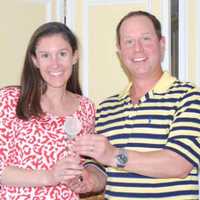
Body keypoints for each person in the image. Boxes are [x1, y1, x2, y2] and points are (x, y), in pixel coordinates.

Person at [70, 10, 200, 199]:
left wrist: (114, 155)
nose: (137, 49)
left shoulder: (189, 96)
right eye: (129, 41)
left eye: (146, 39)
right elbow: (103, 168)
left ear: (161, 44)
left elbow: (178, 164)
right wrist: (90, 180)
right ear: (120, 51)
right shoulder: (107, 108)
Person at [0, 21, 105, 199]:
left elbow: (90, 163)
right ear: (35, 60)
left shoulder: (86, 108)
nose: (54, 64)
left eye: (62, 54)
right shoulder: (9, 99)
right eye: (45, 55)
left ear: (74, 57)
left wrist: (85, 178)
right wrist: (49, 176)